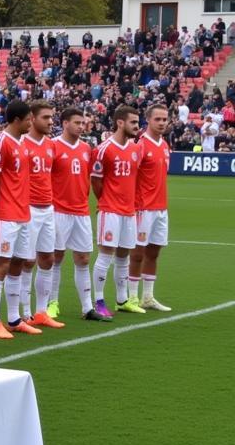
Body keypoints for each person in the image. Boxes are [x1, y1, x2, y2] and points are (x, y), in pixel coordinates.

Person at [0, 99, 39, 339]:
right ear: (17, 120)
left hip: (22, 213)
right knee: (1, 265)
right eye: (28, 119)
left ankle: (15, 319)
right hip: (5, 215)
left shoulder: (23, 143)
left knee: (18, 264)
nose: (31, 122)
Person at [49, 107, 104, 321]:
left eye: (83, 123)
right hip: (58, 210)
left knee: (83, 258)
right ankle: (52, 303)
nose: (81, 127)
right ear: (64, 123)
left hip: (81, 210)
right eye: (77, 123)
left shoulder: (86, 148)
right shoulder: (53, 146)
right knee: (56, 257)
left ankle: (87, 308)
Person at [91, 105, 145, 316]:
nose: (137, 126)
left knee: (124, 256)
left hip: (129, 211)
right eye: (133, 122)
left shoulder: (135, 149)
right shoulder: (104, 149)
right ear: (120, 122)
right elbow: (96, 181)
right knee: (106, 256)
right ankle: (99, 301)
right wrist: (106, 202)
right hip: (110, 210)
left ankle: (122, 300)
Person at [17, 101, 65, 329]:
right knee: (27, 261)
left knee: (48, 258)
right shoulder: (22, 143)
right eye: (45, 117)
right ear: (32, 119)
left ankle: (41, 311)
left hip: (48, 208)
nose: (50, 121)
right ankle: (25, 313)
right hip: (28, 208)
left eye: (52, 117)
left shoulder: (50, 145)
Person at [128, 104, 172, 311]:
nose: (162, 123)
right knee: (137, 254)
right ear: (148, 120)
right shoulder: (140, 144)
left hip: (161, 208)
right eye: (158, 119)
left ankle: (148, 297)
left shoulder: (164, 144)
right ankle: (131, 298)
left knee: (154, 253)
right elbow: (130, 176)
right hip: (143, 208)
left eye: (165, 119)